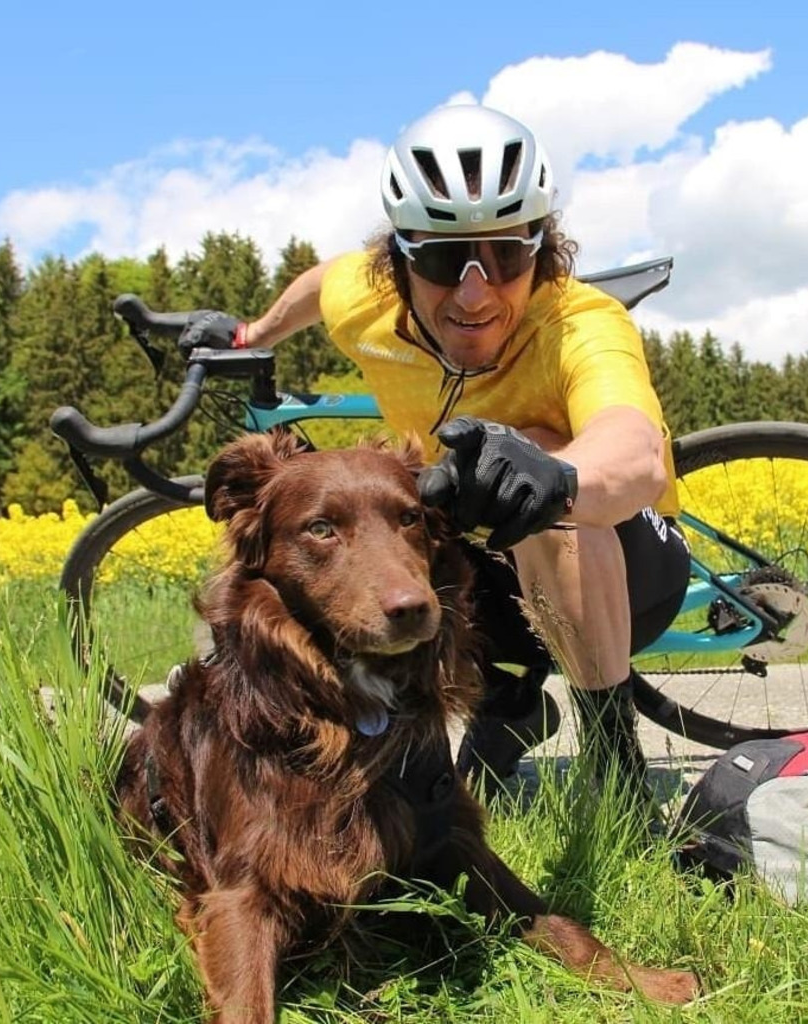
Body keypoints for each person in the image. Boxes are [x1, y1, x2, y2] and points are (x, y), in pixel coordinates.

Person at [181, 104, 691, 809]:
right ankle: (510, 704)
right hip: (489, 570)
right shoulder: (371, 299)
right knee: (397, 522)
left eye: (508, 255)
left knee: (533, 456)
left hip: (630, 569)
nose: (476, 293)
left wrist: (558, 479)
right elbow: (325, 282)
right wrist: (252, 332)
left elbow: (634, 453)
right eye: (447, 259)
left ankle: (616, 765)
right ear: (400, 261)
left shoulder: (581, 324)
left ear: (541, 252)